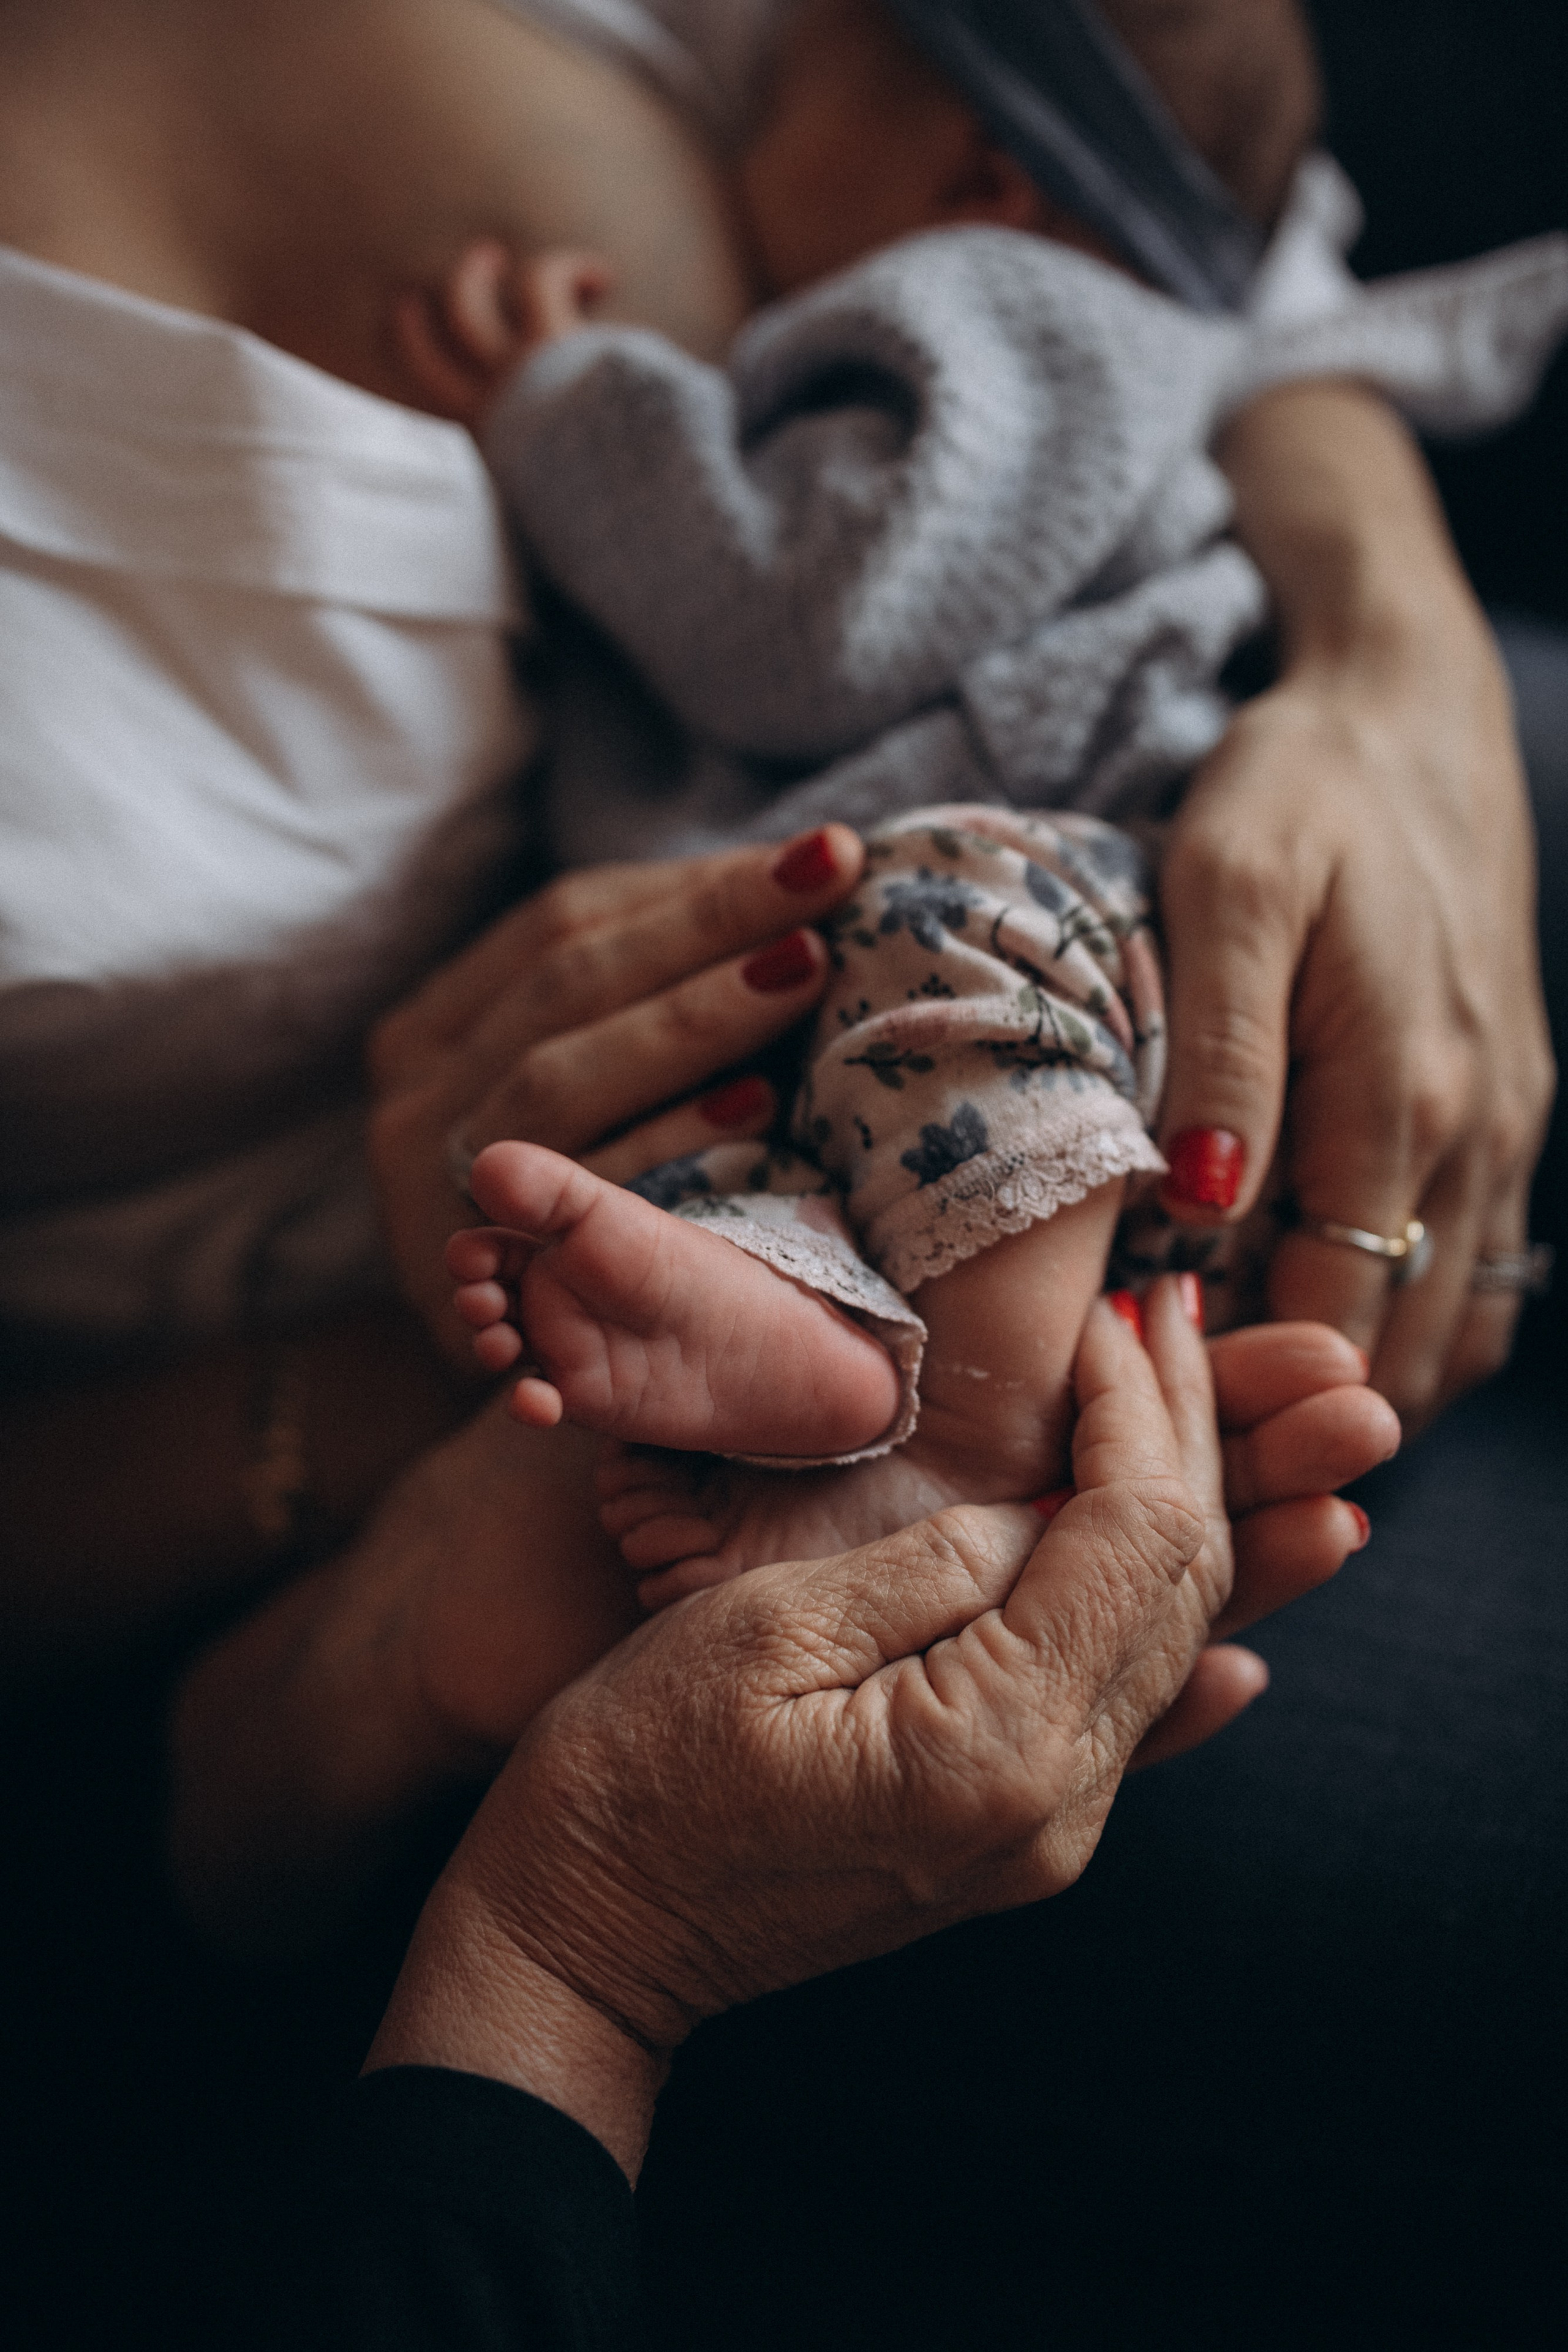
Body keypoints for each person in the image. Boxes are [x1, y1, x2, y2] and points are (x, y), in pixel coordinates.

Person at [401, 0, 1566, 1609]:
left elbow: (807, 621)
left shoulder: (1016, 315)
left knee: (949, 930)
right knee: (784, 1106)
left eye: (788, 96)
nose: (741, 139)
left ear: (988, 183)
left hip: (1085, 891)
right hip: (1012, 1026)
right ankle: (822, 1331)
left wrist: (565, 408)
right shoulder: (1042, 294)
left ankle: (952, 1442)